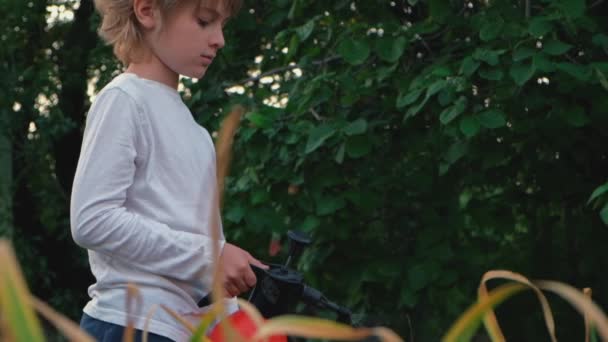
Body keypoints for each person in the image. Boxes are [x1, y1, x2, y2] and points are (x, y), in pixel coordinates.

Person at [70, 0, 267, 341]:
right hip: (132, 323)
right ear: (147, 11)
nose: (219, 39)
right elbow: (92, 219)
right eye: (205, 21)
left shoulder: (197, 133)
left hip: (185, 330)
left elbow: (195, 239)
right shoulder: (123, 98)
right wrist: (212, 256)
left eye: (222, 25)